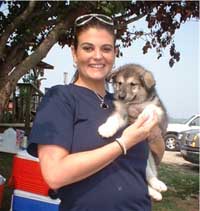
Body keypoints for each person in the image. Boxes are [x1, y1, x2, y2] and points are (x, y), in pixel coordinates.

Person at [27, 13, 159, 211]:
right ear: (74, 53)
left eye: (106, 49)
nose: (97, 56)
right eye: (88, 48)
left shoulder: (125, 104)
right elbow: (54, 175)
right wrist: (123, 143)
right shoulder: (60, 98)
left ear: (114, 53)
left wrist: (154, 133)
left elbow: (148, 158)